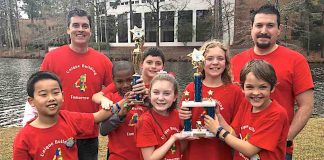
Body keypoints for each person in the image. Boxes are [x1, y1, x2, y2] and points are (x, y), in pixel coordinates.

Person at [230, 4, 314, 159]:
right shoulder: (236, 61)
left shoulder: (296, 60)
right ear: (251, 28)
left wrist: (285, 138)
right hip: (241, 146)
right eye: (259, 25)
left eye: (270, 25)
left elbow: (306, 105)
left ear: (279, 29)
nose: (264, 31)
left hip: (276, 151)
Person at [39, 8, 113, 159]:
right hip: (58, 130)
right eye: (76, 25)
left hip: (88, 133)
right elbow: (40, 90)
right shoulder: (52, 58)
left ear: (90, 31)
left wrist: (102, 97)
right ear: (68, 29)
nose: (81, 30)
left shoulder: (103, 61)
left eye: (85, 26)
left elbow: (115, 88)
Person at [13, 71, 118, 160]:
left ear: (62, 96)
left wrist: (121, 103)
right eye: (43, 94)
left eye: (55, 92)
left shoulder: (68, 118)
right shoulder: (24, 138)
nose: (51, 98)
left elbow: (97, 117)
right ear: (31, 101)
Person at [205, 59, 289, 160]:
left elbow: (250, 150)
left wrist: (218, 131)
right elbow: (234, 134)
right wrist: (218, 115)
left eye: (262, 87)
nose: (256, 93)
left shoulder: (276, 114)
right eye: (250, 87)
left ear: (273, 87)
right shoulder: (246, 103)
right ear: (242, 87)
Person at [179, 40, 243, 160]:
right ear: (201, 62)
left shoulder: (235, 92)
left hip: (220, 155)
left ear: (226, 62)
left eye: (220, 58)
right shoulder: (191, 88)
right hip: (194, 154)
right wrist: (182, 117)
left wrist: (218, 123)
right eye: (209, 58)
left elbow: (236, 134)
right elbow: (184, 127)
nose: (215, 62)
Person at [99, 61, 148, 160]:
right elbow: (103, 130)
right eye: (120, 81)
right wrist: (120, 115)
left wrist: (148, 102)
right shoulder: (109, 99)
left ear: (135, 77)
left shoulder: (145, 96)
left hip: (145, 156)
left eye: (129, 80)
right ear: (113, 80)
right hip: (118, 157)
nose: (125, 85)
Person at [135, 73, 189, 160]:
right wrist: (174, 138)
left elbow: (180, 150)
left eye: (166, 93)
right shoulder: (145, 121)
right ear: (149, 94)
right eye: (156, 92)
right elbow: (149, 158)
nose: (160, 98)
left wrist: (186, 136)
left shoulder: (178, 115)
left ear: (175, 96)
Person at [92, 46, 165, 109]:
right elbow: (96, 96)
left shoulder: (165, 84)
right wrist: (104, 100)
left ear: (163, 67)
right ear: (141, 64)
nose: (153, 66)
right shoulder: (130, 81)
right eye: (149, 62)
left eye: (158, 63)